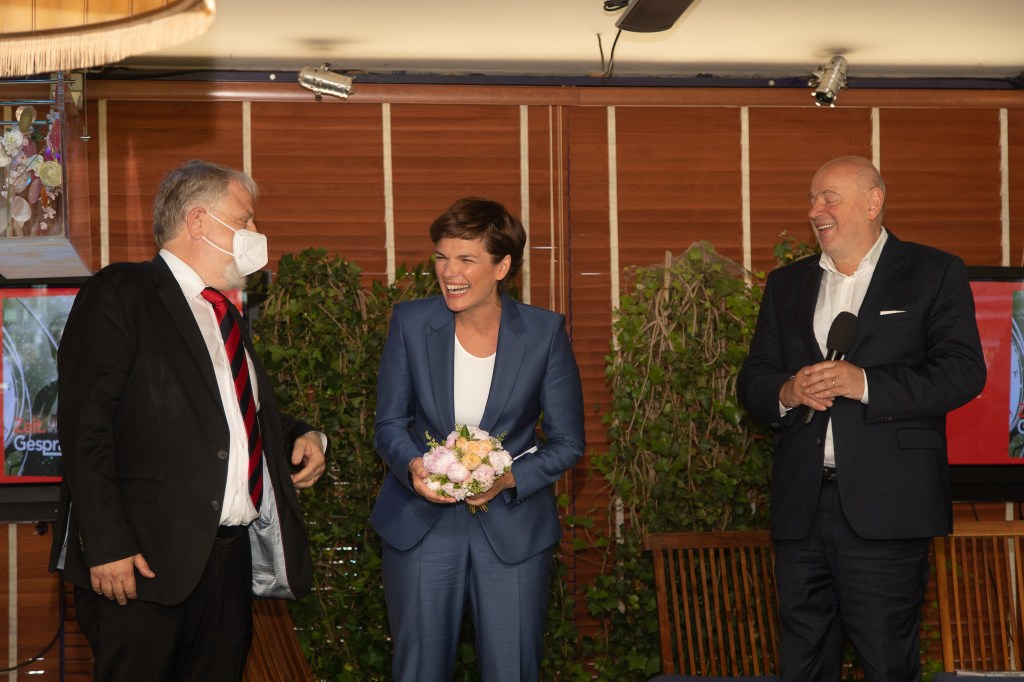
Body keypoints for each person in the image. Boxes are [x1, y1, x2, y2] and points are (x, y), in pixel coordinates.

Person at [48, 160, 328, 681]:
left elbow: (228, 411)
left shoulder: (225, 314)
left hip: (227, 562)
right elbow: (86, 427)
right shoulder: (122, 292)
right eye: (243, 220)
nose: (254, 232)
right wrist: (106, 544)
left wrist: (299, 433)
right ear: (199, 222)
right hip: (141, 562)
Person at [738, 156, 986, 681]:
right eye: (812, 200)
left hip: (888, 510)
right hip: (802, 509)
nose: (815, 211)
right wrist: (787, 390)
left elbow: (963, 373)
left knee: (887, 663)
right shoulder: (787, 284)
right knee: (801, 664)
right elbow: (754, 378)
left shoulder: (933, 272)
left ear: (874, 202)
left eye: (828, 198)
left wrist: (865, 384)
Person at [372, 197, 585, 681]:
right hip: (419, 524)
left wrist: (508, 478)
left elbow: (568, 441)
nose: (449, 272)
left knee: (513, 670)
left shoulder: (545, 332)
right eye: (442, 257)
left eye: (466, 259)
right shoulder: (410, 323)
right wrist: (415, 468)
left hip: (514, 529)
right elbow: (389, 424)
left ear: (502, 266)